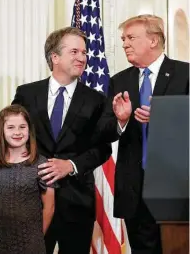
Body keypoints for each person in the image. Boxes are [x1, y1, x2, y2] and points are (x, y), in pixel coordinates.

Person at [11, 26, 133, 254]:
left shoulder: (96, 99)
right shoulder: (27, 93)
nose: (82, 58)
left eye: (84, 53)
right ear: (54, 57)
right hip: (31, 198)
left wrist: (71, 166)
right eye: (75, 52)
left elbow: (102, 148)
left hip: (77, 201)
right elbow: (11, 136)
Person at [109, 14, 189, 254]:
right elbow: (103, 129)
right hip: (134, 189)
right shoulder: (119, 81)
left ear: (153, 40)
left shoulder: (185, 74)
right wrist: (120, 121)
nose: (124, 44)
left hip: (177, 188)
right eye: (123, 39)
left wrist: (166, 115)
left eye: (131, 37)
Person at [0, 104, 56, 254]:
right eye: (11, 127)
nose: (17, 132)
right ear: (1, 131)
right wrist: (0, 231)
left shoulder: (41, 164)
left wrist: (37, 236)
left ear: (29, 130)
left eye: (22, 127)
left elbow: (49, 206)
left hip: (32, 242)